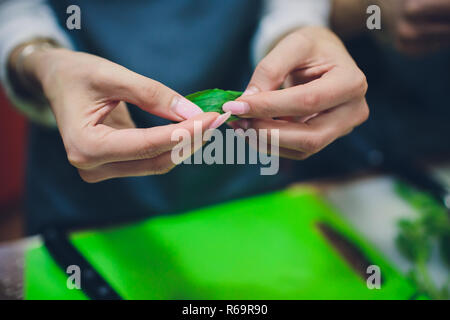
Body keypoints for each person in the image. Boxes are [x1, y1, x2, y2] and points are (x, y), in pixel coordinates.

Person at [0, 0, 369, 234]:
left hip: (244, 171)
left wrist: (300, 29)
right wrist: (37, 59)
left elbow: (288, 7)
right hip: (81, 185)